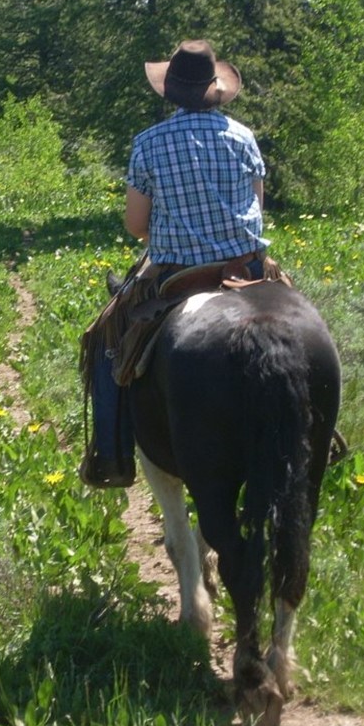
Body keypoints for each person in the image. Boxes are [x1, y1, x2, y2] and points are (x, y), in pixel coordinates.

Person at [79, 39, 271, 489]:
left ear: (170, 91)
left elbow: (136, 225)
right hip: (246, 269)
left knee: (106, 338)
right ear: (214, 88)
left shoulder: (148, 143)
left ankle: (111, 454)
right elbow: (257, 209)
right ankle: (322, 431)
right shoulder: (243, 137)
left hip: (177, 274)